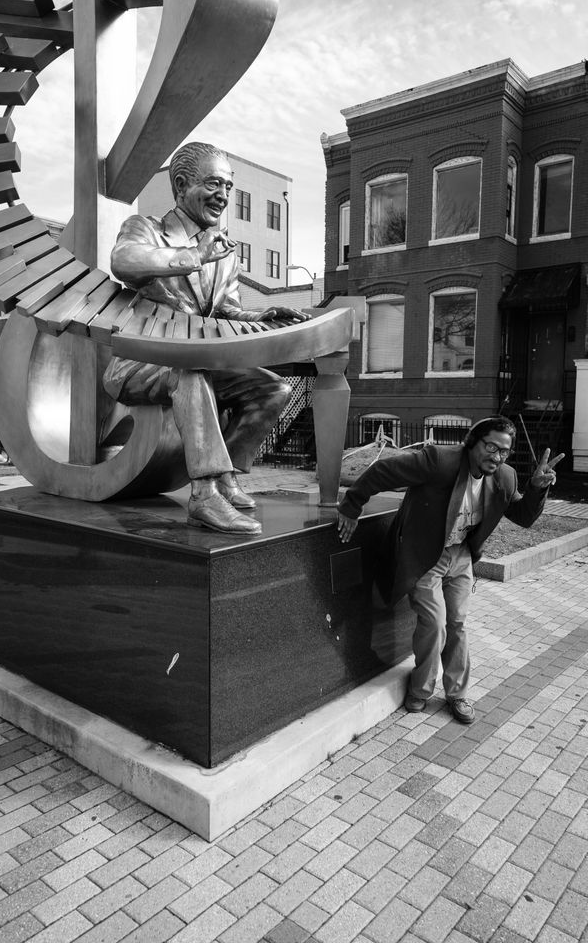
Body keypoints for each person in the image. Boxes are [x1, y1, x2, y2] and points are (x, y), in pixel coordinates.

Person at [103, 142, 308, 535]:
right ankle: (203, 495)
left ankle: (227, 477)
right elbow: (123, 261)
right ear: (181, 185)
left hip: (198, 359)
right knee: (190, 372)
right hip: (140, 362)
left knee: (272, 389)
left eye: (228, 188)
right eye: (214, 184)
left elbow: (226, 310)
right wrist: (193, 254)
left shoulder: (223, 251)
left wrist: (260, 314)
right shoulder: (147, 229)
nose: (224, 196)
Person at [336, 417, 563, 724]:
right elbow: (382, 471)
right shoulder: (439, 461)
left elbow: (523, 516)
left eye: (504, 452)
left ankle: (457, 694)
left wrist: (536, 489)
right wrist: (351, 507)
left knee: (457, 623)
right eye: (490, 447)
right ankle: (421, 689)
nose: (496, 457)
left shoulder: (505, 478)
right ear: (473, 442)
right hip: (425, 555)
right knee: (435, 621)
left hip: (461, 555)